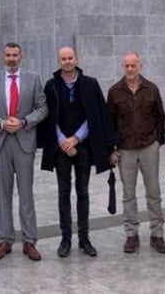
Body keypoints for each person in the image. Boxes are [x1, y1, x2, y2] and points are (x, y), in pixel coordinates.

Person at [39, 46, 118, 258]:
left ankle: (84, 239)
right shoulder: (51, 85)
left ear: (76, 59)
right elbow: (48, 117)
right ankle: (66, 239)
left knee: (82, 192)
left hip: (83, 147)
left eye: (70, 58)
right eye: (63, 58)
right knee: (63, 193)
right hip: (60, 147)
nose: (67, 61)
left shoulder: (90, 84)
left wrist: (76, 139)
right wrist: (64, 141)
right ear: (59, 61)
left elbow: (95, 115)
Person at [0, 42, 48, 261]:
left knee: (26, 193)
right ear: (3, 57)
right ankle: (5, 239)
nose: (11, 58)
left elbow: (42, 108)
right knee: (4, 193)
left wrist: (23, 121)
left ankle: (29, 241)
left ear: (21, 56)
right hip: (1, 141)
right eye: (8, 55)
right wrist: (1, 124)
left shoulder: (33, 78)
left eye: (15, 55)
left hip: (24, 140)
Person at [106, 52, 165, 254]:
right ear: (123, 67)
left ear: (140, 66)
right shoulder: (115, 91)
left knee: (153, 192)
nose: (130, 69)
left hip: (149, 146)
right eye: (127, 66)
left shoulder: (151, 89)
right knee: (128, 195)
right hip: (125, 149)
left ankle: (157, 234)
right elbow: (110, 122)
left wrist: (158, 141)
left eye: (133, 65)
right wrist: (112, 149)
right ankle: (131, 235)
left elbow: (160, 116)